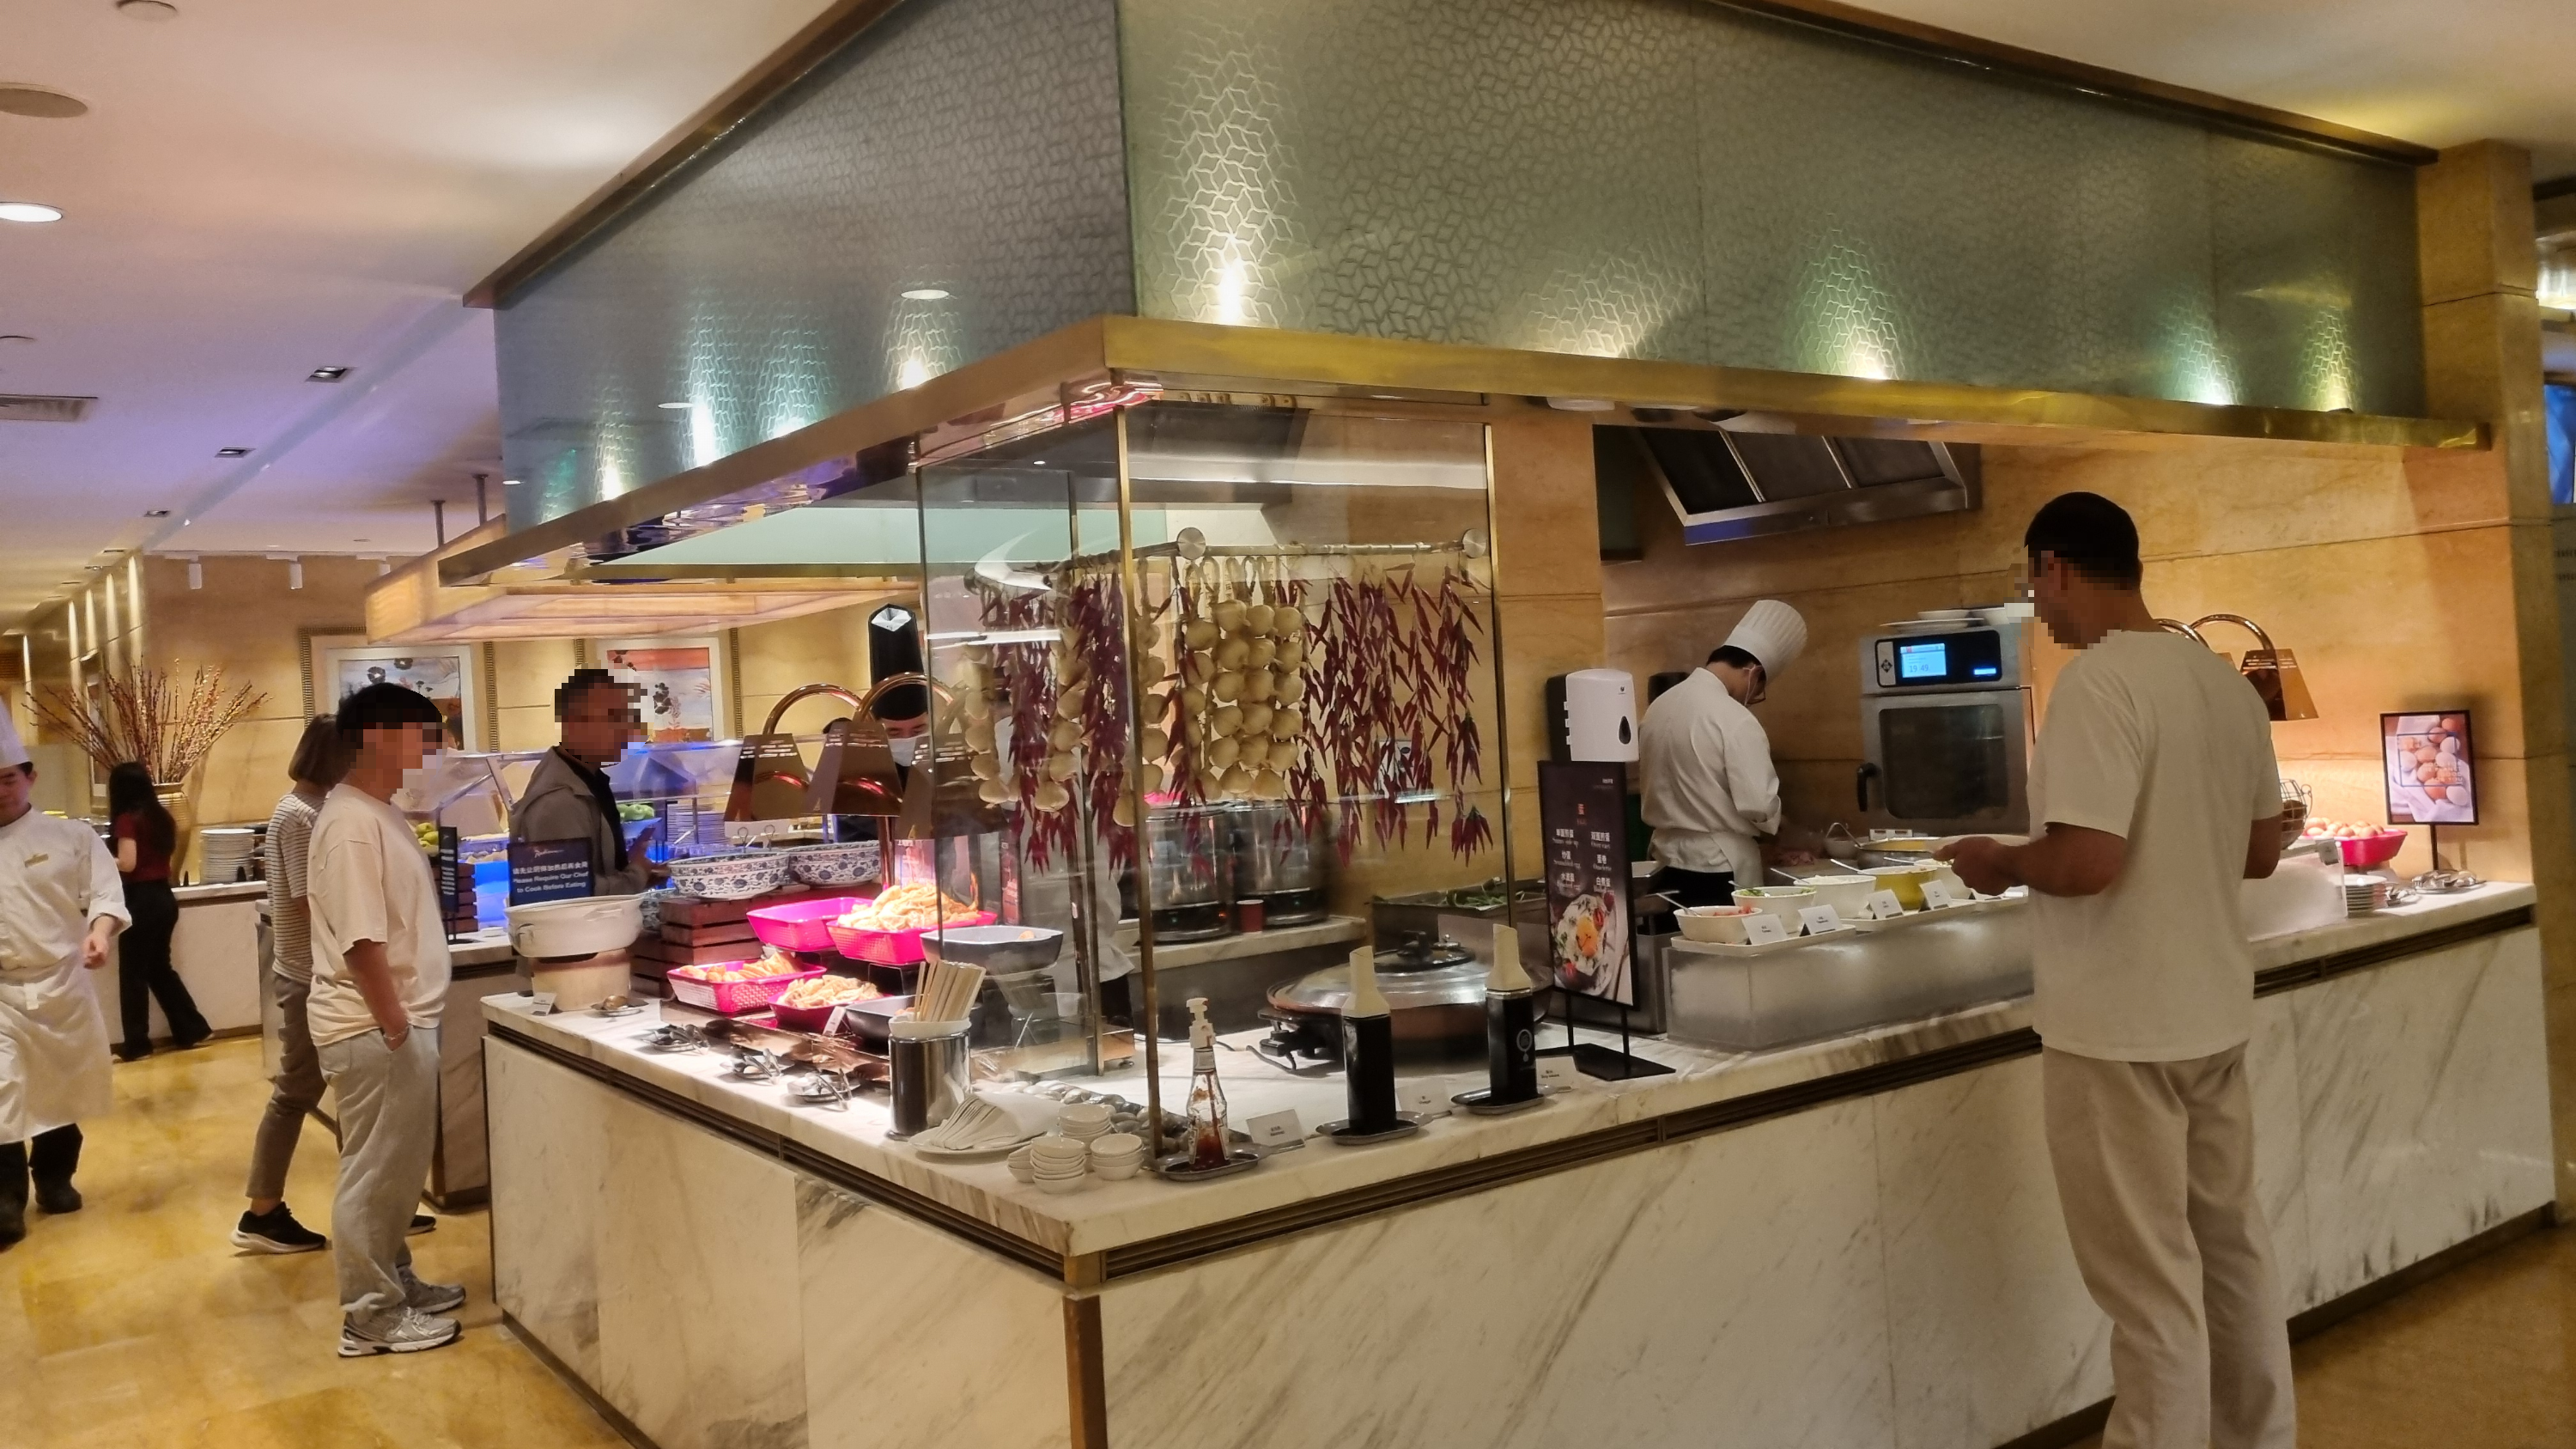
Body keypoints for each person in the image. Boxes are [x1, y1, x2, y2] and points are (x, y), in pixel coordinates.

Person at [1937, 492, 2293, 1449]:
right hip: (2211, 1013)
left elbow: (2088, 862)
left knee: (2149, 1288)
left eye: (2033, 582)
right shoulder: (2219, 680)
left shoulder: (2100, 683)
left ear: (2054, 565)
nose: (2037, 605)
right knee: (2231, 1253)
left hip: (2118, 1030)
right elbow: (2262, 850)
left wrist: (2000, 858)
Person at [307, 684, 465, 1355]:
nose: (432, 749)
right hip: (374, 1027)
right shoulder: (349, 822)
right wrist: (395, 1023)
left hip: (395, 1022)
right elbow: (361, 938)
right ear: (376, 735)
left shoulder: (381, 810)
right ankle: (370, 1315)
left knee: (396, 1172)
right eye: (422, 735)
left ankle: (394, 1279)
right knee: (373, 1175)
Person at [0, 703, 127, 1249]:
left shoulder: (70, 836)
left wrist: (100, 933)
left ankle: (55, 1178)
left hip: (61, 982)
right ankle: (5, 1200)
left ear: (30, 778)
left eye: (7, 779)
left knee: (61, 1085)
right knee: (2, 1091)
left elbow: (106, 893)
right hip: (1, 992)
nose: (0, 791)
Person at [232, 716, 346, 1254]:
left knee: (355, 1090)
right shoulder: (301, 814)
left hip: (318, 970)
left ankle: (371, 1201)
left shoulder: (313, 808)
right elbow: (308, 899)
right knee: (295, 1091)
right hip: (310, 974)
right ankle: (262, 1212)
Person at [1636, 598, 1807, 906]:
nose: (1751, 699)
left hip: (1663, 861)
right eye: (1757, 691)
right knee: (1722, 936)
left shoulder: (1659, 706)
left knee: (1674, 937)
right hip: (1718, 865)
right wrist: (1781, 823)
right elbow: (1758, 804)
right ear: (1753, 672)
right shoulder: (1735, 718)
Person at [511, 669, 650, 898]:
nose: (627, 729)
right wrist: (636, 876)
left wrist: (636, 870)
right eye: (614, 717)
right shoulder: (557, 803)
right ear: (572, 722)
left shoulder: (589, 780)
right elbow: (568, 895)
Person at [106, 760, 210, 1060]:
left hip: (140, 900)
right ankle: (192, 1028)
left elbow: (128, 863)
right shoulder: (161, 816)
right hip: (163, 898)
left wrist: (98, 856)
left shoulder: (127, 820)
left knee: (133, 974)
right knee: (159, 968)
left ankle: (137, 1044)